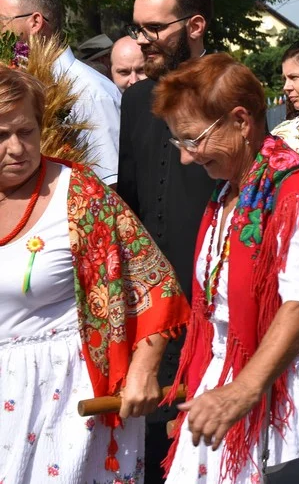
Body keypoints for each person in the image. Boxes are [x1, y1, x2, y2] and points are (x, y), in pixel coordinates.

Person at [153, 54, 299, 483]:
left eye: (193, 139)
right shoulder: (230, 194)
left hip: (293, 397)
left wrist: (241, 391)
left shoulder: (298, 191)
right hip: (232, 390)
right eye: (178, 143)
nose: (186, 158)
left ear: (240, 120)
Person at [0, 67, 189, 483]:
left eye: (26, 131)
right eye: (1, 135)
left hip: (67, 398)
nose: (16, 148)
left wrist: (142, 370)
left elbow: (155, 282)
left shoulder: (79, 194)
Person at [118, 0, 219, 483]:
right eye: (139, 28)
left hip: (212, 309)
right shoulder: (135, 100)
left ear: (195, 26)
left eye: (155, 29)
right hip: (151, 317)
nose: (142, 43)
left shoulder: (229, 92)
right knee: (152, 454)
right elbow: (129, 204)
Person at [0, 0, 121, 186]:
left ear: (35, 22)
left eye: (1, 21)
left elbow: (109, 185)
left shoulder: (89, 92)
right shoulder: (20, 83)